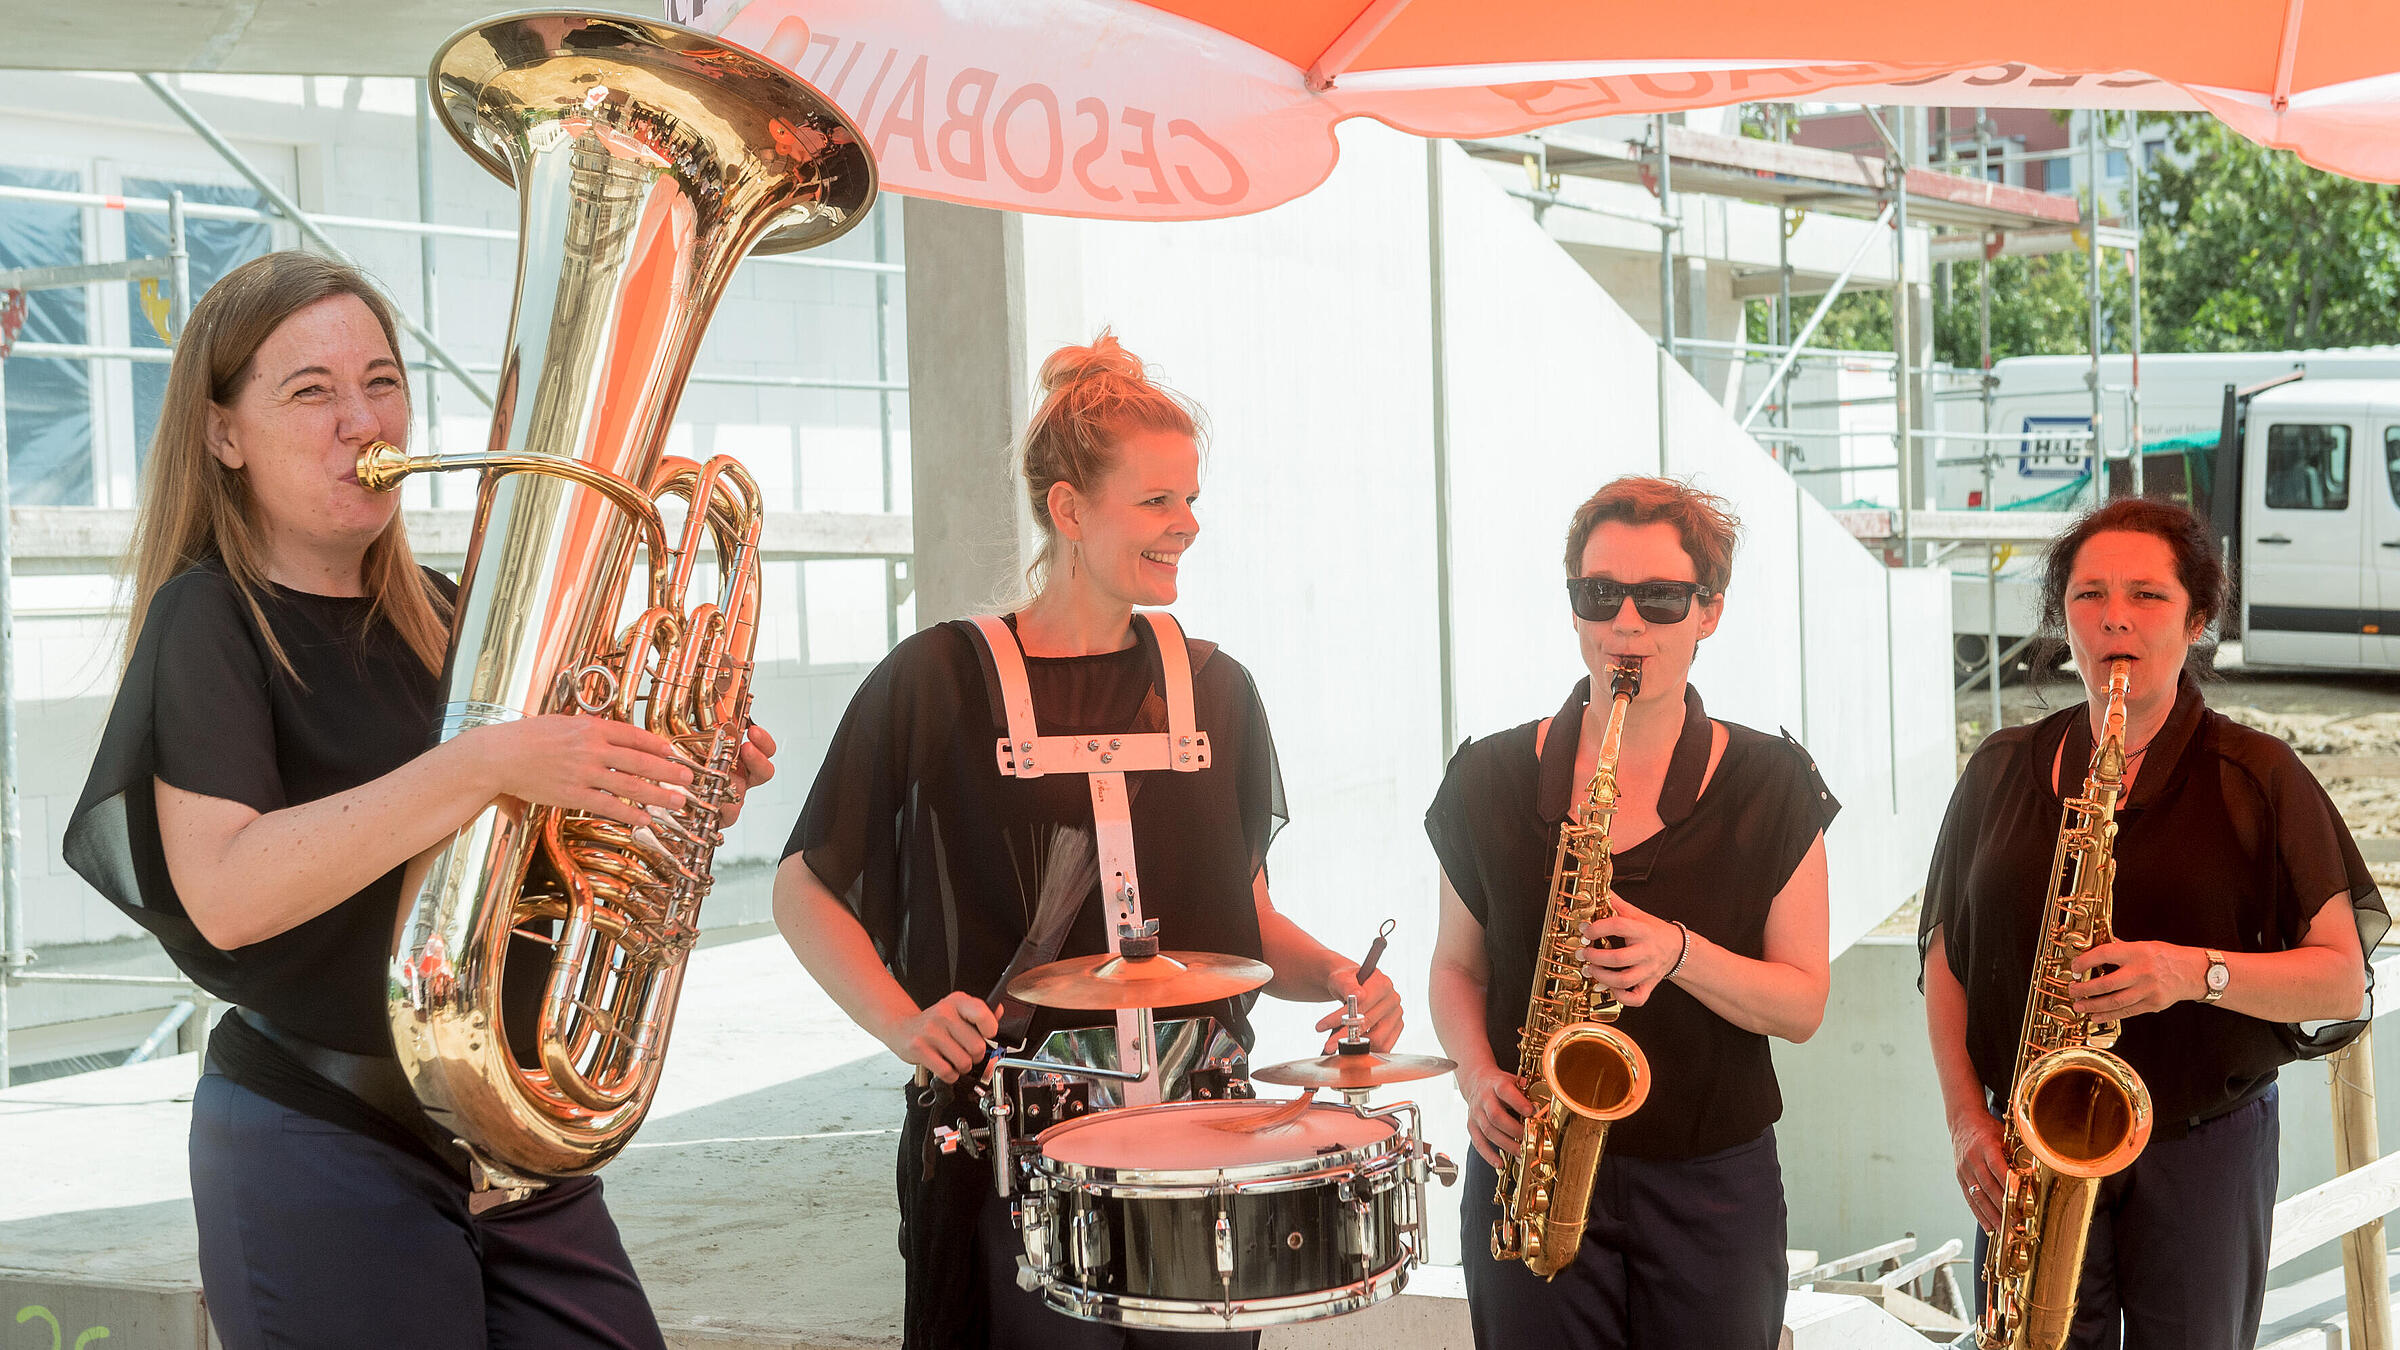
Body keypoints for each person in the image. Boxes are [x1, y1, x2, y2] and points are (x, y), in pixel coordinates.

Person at [62, 251, 773, 1349]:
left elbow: (545, 849)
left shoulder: (454, 614)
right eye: (311, 391)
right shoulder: (207, 620)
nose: (361, 420)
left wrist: (664, 776)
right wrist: (485, 761)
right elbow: (229, 892)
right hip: (322, 1139)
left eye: (381, 382)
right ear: (223, 434)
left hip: (513, 1138)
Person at [771, 332, 1403, 1350]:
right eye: (1157, 503)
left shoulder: (1220, 689)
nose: (1187, 527)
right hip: (1017, 1157)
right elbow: (804, 889)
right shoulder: (935, 681)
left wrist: (1334, 973)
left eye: (1192, 499)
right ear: (1069, 509)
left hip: (1203, 1154)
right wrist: (903, 1022)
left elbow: (1244, 916)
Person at [1920, 495, 2385, 1349]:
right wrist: (1963, 1117)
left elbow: (2340, 975)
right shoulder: (1997, 769)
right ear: (2064, 618)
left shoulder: (2258, 777)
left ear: (2199, 618)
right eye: (2089, 596)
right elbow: (1946, 955)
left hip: (2202, 1151)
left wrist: (2189, 972)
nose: (2115, 622)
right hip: (2032, 1139)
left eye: (2148, 596)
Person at [1425, 475, 1836, 1350]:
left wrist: (1679, 953)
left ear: (1708, 612)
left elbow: (1802, 1004)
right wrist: (1472, 1074)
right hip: (1527, 1164)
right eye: (1599, 595)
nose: (1627, 624)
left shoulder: (1772, 783)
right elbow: (1457, 967)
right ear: (1574, 609)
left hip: (1710, 1190)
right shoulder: (1489, 778)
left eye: (1660, 600)